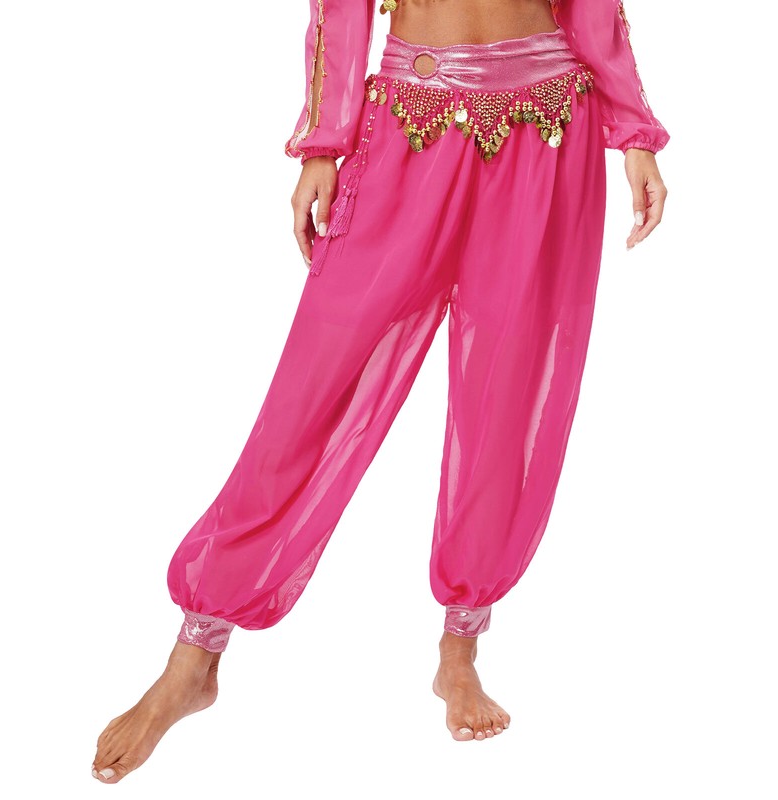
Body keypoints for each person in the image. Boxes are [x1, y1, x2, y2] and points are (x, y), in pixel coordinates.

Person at [92, 0, 668, 783]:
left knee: (507, 390)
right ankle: (196, 652)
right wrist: (323, 144)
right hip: (410, 121)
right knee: (313, 387)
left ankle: (460, 647)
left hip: (549, 121)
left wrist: (634, 132)